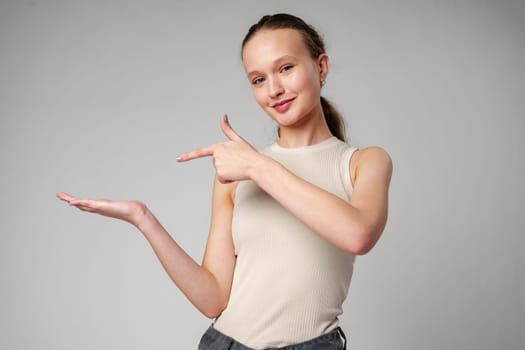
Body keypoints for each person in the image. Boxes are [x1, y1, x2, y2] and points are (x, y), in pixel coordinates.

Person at [57, 13, 392, 350]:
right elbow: (213, 299)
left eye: (286, 68)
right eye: (258, 79)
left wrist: (259, 167)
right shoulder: (236, 175)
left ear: (321, 67)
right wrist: (143, 219)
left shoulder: (363, 163)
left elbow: (358, 234)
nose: (274, 90)